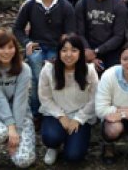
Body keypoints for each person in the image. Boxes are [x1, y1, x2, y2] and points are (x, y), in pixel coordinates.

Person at [14, 0, 76, 117]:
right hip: (37, 45)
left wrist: (64, 44)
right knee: (37, 73)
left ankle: (54, 111)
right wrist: (27, 42)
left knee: (52, 76)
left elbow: (70, 32)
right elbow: (17, 28)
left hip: (57, 47)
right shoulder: (30, 5)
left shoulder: (65, 6)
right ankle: (37, 113)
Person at [0, 28, 35, 169]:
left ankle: (14, 145)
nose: (6, 52)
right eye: (1, 48)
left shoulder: (24, 69)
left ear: (15, 49)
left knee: (24, 161)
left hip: (21, 116)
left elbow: (20, 101)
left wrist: (17, 132)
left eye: (10, 47)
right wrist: (10, 128)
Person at [38, 34, 98, 165]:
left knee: (73, 156)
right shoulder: (49, 70)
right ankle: (54, 146)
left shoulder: (89, 71)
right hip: (56, 114)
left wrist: (79, 118)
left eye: (74, 50)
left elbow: (94, 99)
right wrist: (60, 116)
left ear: (80, 53)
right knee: (51, 137)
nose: (69, 54)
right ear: (58, 52)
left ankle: (71, 141)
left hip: (80, 114)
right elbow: (45, 97)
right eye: (64, 50)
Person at [76, 0, 127, 71]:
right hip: (86, 52)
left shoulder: (119, 5)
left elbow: (119, 36)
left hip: (111, 54)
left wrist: (96, 52)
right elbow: (79, 33)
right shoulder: (82, 3)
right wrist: (88, 52)